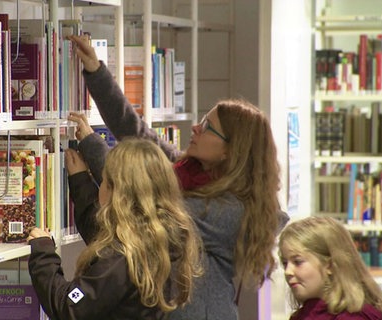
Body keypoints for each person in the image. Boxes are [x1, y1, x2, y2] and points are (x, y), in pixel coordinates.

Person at [66, 34, 289, 319]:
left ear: (230, 151)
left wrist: (92, 145)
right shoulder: (188, 170)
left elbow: (140, 194)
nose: (196, 127)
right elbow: (135, 131)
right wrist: (96, 72)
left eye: (208, 127)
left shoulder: (230, 211)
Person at [27, 138, 203, 319]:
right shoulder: (164, 236)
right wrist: (80, 179)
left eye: (103, 181)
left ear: (117, 193)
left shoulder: (121, 258)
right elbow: (101, 234)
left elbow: (68, 306)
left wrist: (43, 254)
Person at [279, 217, 382, 319]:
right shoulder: (302, 315)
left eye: (298, 262)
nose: (288, 272)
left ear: (330, 265)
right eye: (285, 263)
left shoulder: (354, 317)